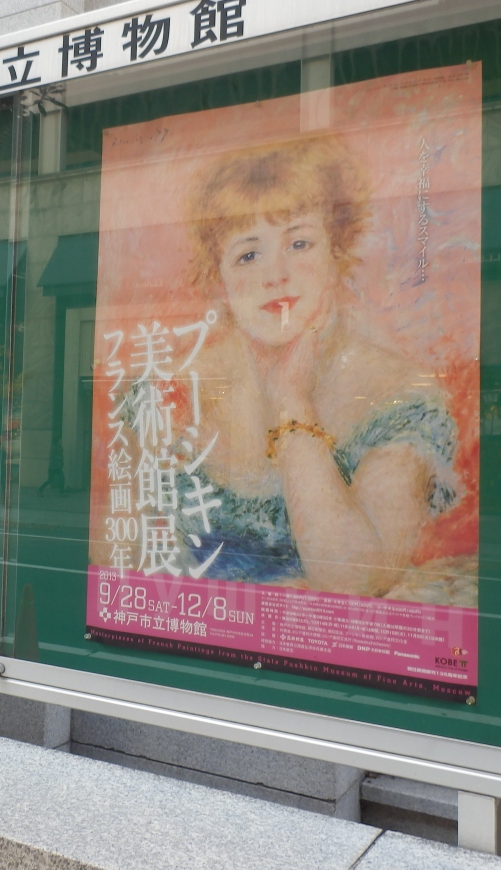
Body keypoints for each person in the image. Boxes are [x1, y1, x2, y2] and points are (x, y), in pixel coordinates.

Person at [166, 133, 462, 600]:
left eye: (299, 243)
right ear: (219, 280)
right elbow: (120, 557)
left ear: (336, 254)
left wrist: (291, 401)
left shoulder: (402, 395)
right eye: (248, 254)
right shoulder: (178, 387)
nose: (276, 275)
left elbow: (354, 580)